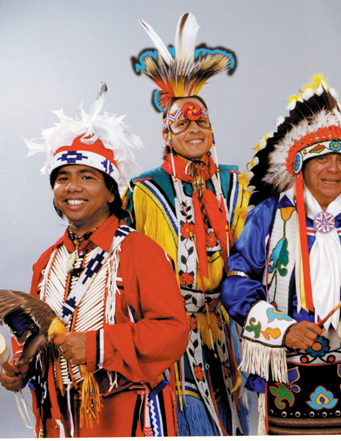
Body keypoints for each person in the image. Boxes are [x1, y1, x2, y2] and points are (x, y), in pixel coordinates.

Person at [0, 83, 189, 437]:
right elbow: (33, 332)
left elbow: (173, 332)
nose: (73, 187)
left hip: (123, 416)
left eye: (88, 177)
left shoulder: (139, 252)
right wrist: (20, 365)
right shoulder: (48, 262)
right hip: (58, 418)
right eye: (62, 179)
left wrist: (99, 345)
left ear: (112, 191)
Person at [222, 76, 341, 435]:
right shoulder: (269, 217)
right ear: (300, 165)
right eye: (323, 159)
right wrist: (283, 329)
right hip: (286, 366)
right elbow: (237, 285)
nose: (334, 169)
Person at [122, 13, 250, 436]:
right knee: (183, 420)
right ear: (166, 132)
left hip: (226, 325)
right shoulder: (144, 190)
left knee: (232, 414)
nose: (194, 129)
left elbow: (253, 252)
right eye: (183, 123)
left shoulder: (235, 182)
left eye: (201, 122)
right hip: (171, 328)